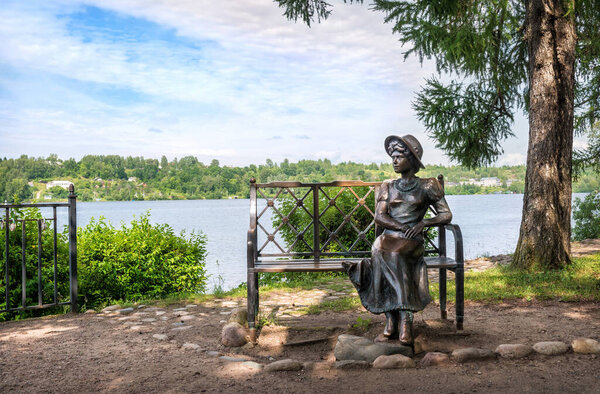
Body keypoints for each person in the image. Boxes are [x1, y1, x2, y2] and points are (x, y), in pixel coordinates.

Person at [344, 134, 452, 344]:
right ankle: (396, 320)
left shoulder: (427, 185)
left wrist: (424, 223)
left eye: (398, 156)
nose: (394, 160)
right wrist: (401, 226)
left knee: (392, 254)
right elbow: (380, 216)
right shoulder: (389, 186)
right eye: (392, 156)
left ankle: (401, 321)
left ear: (411, 159)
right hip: (390, 238)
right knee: (381, 248)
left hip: (412, 242)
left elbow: (446, 214)